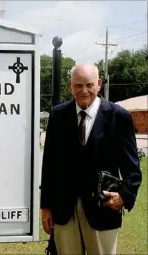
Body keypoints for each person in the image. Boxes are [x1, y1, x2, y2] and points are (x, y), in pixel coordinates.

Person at [40, 63, 142, 254]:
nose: (84, 90)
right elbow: (50, 165)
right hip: (64, 209)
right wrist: (46, 206)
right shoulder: (58, 115)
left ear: (99, 84)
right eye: (78, 85)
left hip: (102, 210)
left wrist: (124, 196)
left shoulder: (119, 117)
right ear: (70, 86)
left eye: (89, 85)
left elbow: (133, 170)